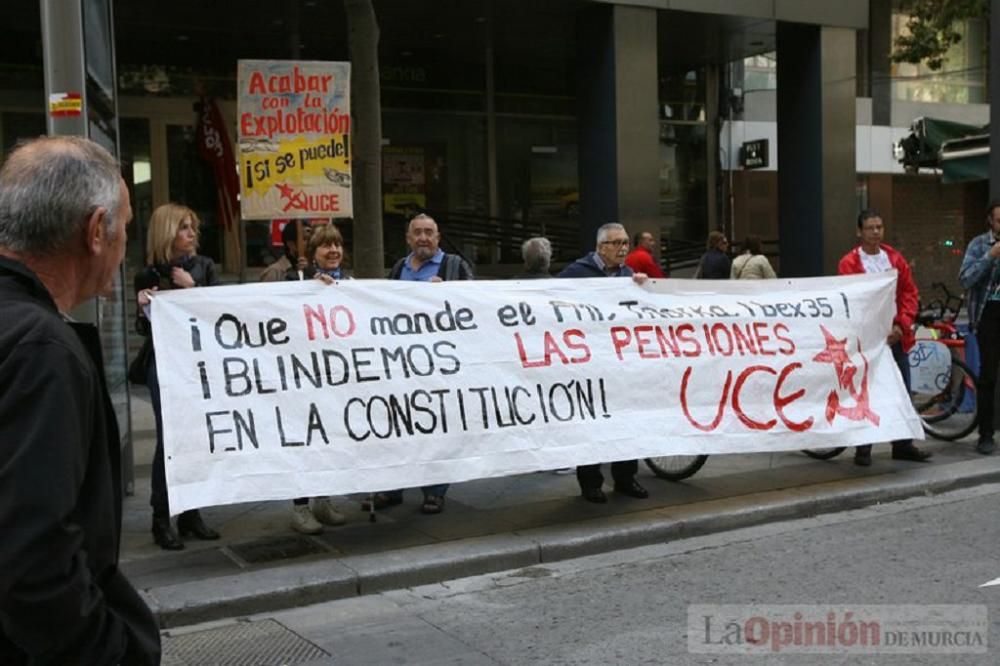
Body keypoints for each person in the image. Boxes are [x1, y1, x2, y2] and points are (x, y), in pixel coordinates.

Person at [0, 136, 161, 663]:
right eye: (127, 229)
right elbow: (34, 562)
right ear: (96, 231)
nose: (125, 250)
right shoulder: (41, 351)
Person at [367, 213, 474, 514]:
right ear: (408, 238)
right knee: (398, 425)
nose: (423, 238)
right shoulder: (400, 268)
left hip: (441, 363)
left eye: (429, 232)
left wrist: (450, 294)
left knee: (436, 427)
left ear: (438, 238)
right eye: (418, 233)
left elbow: (477, 305)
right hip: (402, 362)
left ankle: (435, 491)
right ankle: (393, 488)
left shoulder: (455, 266)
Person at [135, 204, 222, 549]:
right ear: (167, 231)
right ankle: (161, 515)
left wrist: (192, 287)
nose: (192, 233)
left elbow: (218, 314)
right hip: (164, 363)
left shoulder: (204, 267)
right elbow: (142, 328)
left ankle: (191, 512)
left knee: (197, 436)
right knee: (170, 438)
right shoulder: (147, 274)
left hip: (198, 363)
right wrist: (143, 305)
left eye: (193, 227)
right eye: (185, 227)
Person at [559, 222, 650, 503]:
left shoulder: (628, 274)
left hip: (621, 362)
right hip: (590, 361)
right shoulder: (576, 273)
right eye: (616, 243)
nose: (623, 248)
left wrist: (644, 288)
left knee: (627, 419)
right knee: (593, 422)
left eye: (625, 242)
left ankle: (625, 477)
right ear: (600, 247)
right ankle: (591, 482)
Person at [838, 209, 931, 466]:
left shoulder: (894, 258)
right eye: (870, 227)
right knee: (864, 392)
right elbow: (852, 300)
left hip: (895, 336)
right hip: (866, 339)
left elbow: (909, 293)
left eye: (879, 226)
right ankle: (863, 447)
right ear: (860, 232)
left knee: (901, 389)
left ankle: (902, 443)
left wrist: (902, 324)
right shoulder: (848, 263)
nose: (876, 231)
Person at [284, 223, 349, 533]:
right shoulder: (293, 279)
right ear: (313, 253)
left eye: (337, 244)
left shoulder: (350, 282)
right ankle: (300, 506)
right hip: (303, 375)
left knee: (329, 438)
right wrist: (309, 288)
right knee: (304, 439)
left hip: (335, 374)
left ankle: (323, 499)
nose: (333, 250)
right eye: (326, 245)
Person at [958, 200, 1000, 455]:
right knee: (989, 375)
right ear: (990, 221)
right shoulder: (979, 244)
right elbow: (965, 278)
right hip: (989, 314)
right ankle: (985, 433)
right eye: (999, 220)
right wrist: (990, 256)